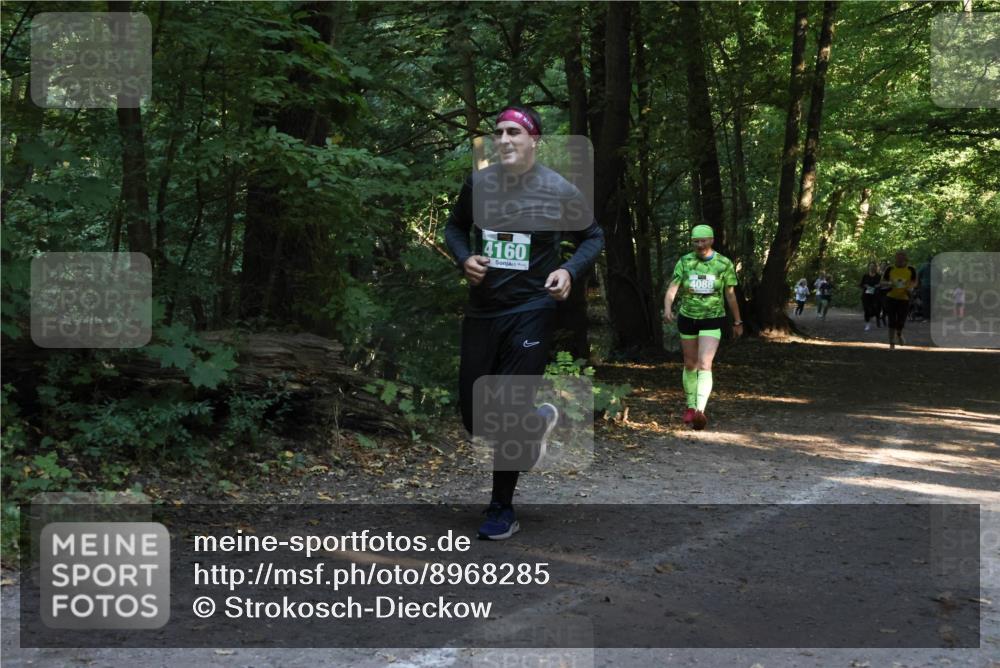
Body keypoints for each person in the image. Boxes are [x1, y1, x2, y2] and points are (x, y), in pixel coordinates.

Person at [445, 105, 604, 540]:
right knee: (474, 417)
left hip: (531, 311)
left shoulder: (557, 189)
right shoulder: (479, 184)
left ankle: (501, 507)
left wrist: (569, 271)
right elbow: (455, 228)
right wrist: (465, 258)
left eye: (514, 132)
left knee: (510, 410)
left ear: (534, 140)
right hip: (483, 311)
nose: (504, 140)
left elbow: (593, 236)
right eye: (498, 133)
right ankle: (536, 423)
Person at [663, 225, 743, 431]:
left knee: (705, 363)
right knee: (690, 364)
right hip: (688, 317)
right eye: (696, 241)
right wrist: (668, 308)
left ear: (711, 240)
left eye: (703, 241)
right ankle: (690, 406)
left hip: (713, 318)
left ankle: (700, 411)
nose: (699, 245)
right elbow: (673, 287)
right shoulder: (685, 261)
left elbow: (730, 294)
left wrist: (737, 321)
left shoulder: (723, 263)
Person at [881, 250, 918, 349]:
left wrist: (910, 287)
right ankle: (891, 343)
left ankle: (899, 333)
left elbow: (915, 282)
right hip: (891, 297)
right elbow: (882, 282)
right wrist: (889, 283)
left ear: (906, 259)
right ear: (895, 258)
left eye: (902, 258)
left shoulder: (911, 269)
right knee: (892, 320)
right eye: (898, 258)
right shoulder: (890, 269)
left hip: (904, 298)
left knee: (901, 320)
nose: (900, 260)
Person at [859, 262, 881, 331]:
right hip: (866, 295)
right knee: (866, 309)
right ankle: (867, 324)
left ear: (876, 267)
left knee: (874, 309)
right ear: (868, 267)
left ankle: (874, 316)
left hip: (875, 295)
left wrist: (878, 286)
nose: (872, 267)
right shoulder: (865, 275)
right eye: (870, 266)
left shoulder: (878, 276)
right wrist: (865, 285)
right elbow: (861, 284)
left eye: (873, 266)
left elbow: (881, 284)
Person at [875, 261, 891, 327]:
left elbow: (891, 283)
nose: (883, 266)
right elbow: (875, 283)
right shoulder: (877, 274)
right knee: (878, 306)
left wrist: (883, 283)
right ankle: (878, 321)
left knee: (886, 306)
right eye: (882, 264)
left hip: (887, 291)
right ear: (880, 266)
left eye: (885, 265)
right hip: (879, 292)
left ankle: (884, 318)